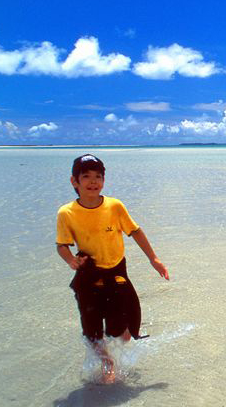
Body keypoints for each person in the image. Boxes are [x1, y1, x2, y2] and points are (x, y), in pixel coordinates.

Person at [56, 154, 169, 383]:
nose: (93, 181)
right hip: (89, 274)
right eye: (85, 176)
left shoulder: (114, 206)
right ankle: (107, 362)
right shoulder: (66, 213)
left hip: (117, 271)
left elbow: (135, 231)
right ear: (74, 181)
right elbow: (62, 245)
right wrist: (70, 260)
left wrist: (153, 259)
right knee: (92, 331)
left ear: (104, 180)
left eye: (98, 176)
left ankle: (120, 334)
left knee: (122, 332)